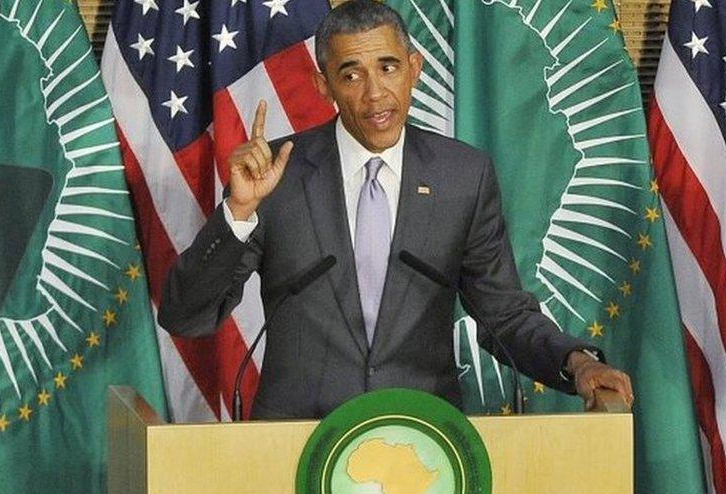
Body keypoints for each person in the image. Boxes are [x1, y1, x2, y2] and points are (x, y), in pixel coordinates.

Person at [159, 0, 633, 419]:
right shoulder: (274, 177)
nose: (375, 94)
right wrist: (238, 213)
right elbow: (185, 316)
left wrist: (577, 362)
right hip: (298, 443)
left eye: (387, 68)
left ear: (414, 68)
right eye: (351, 74)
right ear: (323, 86)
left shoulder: (462, 176)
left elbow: (503, 315)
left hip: (423, 443)